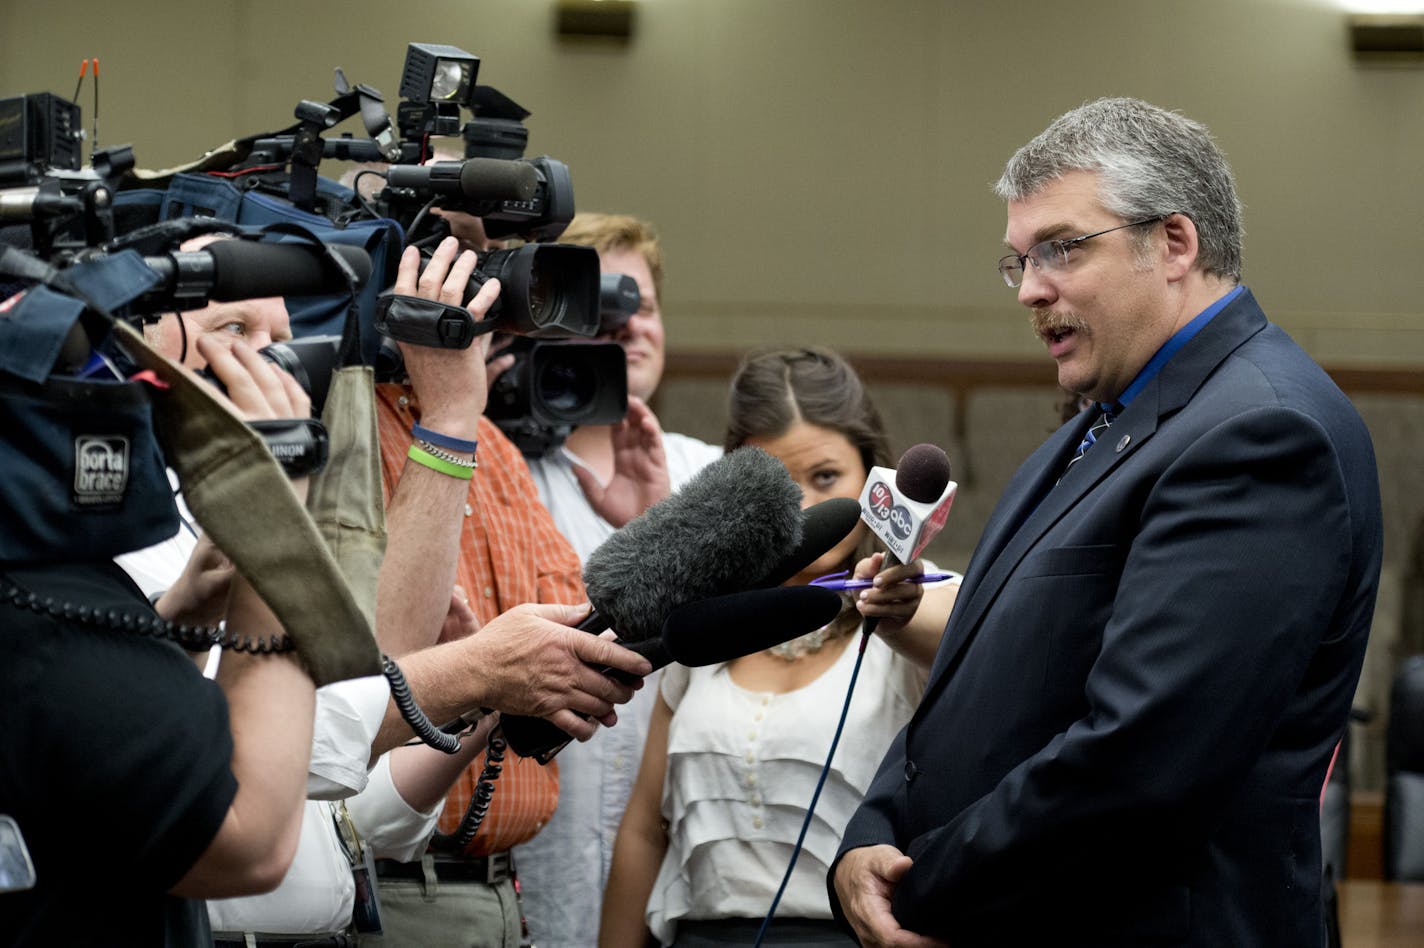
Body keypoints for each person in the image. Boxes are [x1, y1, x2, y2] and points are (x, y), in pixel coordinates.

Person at [830, 97, 1383, 948]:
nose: (1032, 289)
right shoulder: (1109, 415)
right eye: (1018, 261)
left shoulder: (1261, 434)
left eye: (1060, 248)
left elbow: (1142, 764)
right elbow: (985, 685)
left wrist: (917, 883)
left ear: (1173, 243)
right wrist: (871, 836)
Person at [599, 347, 960, 947]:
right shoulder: (704, 625)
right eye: (775, 482)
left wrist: (901, 607)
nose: (802, 508)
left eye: (825, 478)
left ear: (874, 481)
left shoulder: (908, 601)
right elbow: (644, 830)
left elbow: (961, 628)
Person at [0, 317, 318, 945]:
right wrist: (275, 527)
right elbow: (250, 843)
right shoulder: (41, 612)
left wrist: (188, 621)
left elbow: (101, 749)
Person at [515, 212, 722, 948]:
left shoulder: (714, 477)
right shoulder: (507, 480)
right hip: (527, 875)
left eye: (645, 307)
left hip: (674, 892)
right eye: (606, 310)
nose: (631, 328)